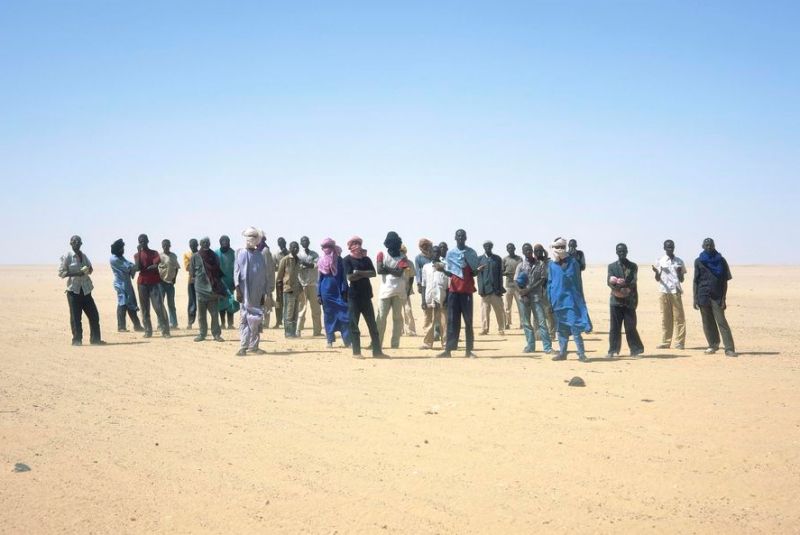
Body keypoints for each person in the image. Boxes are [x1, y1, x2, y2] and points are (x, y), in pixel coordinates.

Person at [438, 229, 479, 358]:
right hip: (454, 291)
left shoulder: (471, 253)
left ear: (466, 237)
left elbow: (474, 272)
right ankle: (448, 350)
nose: (461, 238)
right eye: (458, 236)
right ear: (455, 238)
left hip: (466, 291)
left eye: (463, 236)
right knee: (452, 321)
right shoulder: (450, 253)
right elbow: (450, 272)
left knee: (468, 321)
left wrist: (478, 270)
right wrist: (442, 270)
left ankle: (468, 351)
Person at [547, 238, 591, 361]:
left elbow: (577, 282)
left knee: (575, 327)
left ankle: (581, 354)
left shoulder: (573, 263)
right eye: (557, 247)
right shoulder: (551, 265)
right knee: (561, 329)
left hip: (571, 300)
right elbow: (549, 284)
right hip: (557, 301)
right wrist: (550, 301)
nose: (559, 249)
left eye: (562, 246)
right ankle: (563, 353)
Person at [343, 236, 387, 358]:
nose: (357, 246)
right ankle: (356, 352)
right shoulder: (347, 260)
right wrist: (362, 274)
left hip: (366, 296)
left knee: (372, 325)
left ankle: (377, 352)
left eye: (359, 243)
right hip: (353, 297)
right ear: (350, 246)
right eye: (354, 244)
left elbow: (373, 273)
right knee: (354, 325)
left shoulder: (366, 259)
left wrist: (359, 273)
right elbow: (349, 277)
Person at [694, 238, 737, 357]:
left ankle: (729, 348)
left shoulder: (721, 261)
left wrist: (723, 299)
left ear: (714, 246)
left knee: (721, 321)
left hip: (717, 296)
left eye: (710, 245)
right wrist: (695, 298)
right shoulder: (698, 261)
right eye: (706, 245)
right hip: (703, 295)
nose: (708, 247)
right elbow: (695, 281)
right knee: (707, 322)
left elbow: (724, 281)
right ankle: (712, 345)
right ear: (703, 246)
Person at [59, 235, 104, 346]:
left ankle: (95, 340)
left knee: (94, 315)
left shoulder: (83, 256)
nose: (77, 244)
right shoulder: (67, 256)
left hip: (86, 290)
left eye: (79, 242)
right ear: (71, 243)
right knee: (75, 317)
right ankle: (76, 340)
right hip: (73, 291)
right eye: (75, 242)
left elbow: (90, 268)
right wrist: (76, 273)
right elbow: (61, 273)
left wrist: (89, 270)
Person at [234, 227, 269, 356]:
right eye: (249, 237)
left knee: (256, 320)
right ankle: (243, 346)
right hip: (244, 293)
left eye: (254, 237)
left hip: (257, 293)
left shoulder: (260, 255)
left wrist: (263, 294)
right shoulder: (240, 253)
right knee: (244, 319)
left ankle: (254, 346)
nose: (251, 239)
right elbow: (236, 272)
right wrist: (238, 289)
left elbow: (263, 276)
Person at [606, 243, 644, 358]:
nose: (622, 253)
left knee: (630, 327)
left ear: (627, 251)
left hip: (629, 301)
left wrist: (624, 284)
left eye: (623, 251)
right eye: (619, 251)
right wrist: (617, 286)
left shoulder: (633, 266)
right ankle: (613, 350)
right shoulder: (611, 266)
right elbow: (609, 281)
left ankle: (635, 350)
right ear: (616, 252)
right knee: (615, 327)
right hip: (615, 301)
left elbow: (633, 281)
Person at [514, 243, 552, 353]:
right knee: (526, 323)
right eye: (526, 250)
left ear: (532, 251)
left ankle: (547, 347)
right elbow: (515, 281)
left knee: (542, 322)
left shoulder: (540, 264)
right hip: (524, 299)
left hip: (536, 298)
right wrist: (522, 292)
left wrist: (529, 289)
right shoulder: (520, 266)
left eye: (530, 250)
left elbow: (542, 279)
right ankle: (530, 346)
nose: (528, 252)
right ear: (523, 252)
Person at [376, 231, 409, 350]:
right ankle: (377, 343)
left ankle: (395, 344)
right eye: (390, 243)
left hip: (399, 292)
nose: (392, 245)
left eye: (395, 243)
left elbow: (399, 272)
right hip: (385, 292)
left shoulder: (403, 257)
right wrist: (393, 269)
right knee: (381, 318)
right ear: (387, 244)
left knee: (397, 319)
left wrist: (387, 268)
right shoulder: (381, 254)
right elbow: (379, 270)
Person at [190, 237, 226, 342]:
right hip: (200, 289)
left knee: (214, 314)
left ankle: (216, 334)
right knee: (201, 315)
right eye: (203, 242)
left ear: (210, 243)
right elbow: (192, 273)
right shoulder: (195, 257)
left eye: (207, 242)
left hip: (212, 289)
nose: (206, 244)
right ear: (200, 244)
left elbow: (218, 271)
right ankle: (202, 334)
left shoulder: (214, 256)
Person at [317, 238, 351, 348]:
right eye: (325, 247)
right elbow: (320, 279)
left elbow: (343, 277)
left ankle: (347, 341)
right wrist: (318, 294)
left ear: (333, 247)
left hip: (339, 292)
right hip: (326, 293)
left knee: (345, 316)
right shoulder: (321, 261)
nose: (327, 249)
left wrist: (345, 290)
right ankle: (329, 340)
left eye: (329, 246)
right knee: (329, 316)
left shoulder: (340, 260)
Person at [134, 234, 170, 338]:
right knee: (144, 308)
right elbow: (137, 267)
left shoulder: (154, 253)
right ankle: (148, 331)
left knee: (158, 306)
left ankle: (165, 331)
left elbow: (156, 264)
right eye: (140, 241)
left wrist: (153, 267)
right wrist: (139, 252)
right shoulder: (137, 255)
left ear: (148, 241)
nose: (142, 243)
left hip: (154, 282)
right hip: (142, 283)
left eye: (144, 241)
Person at [652, 239, 686, 350]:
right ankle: (665, 342)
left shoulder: (679, 261)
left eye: (672, 247)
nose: (670, 249)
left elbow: (682, 279)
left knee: (679, 318)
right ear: (664, 248)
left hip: (675, 291)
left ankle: (680, 342)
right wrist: (658, 273)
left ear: (674, 247)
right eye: (668, 247)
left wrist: (678, 272)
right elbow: (657, 279)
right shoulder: (659, 261)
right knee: (665, 318)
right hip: (664, 291)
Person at [109, 239, 143, 332]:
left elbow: (131, 265)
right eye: (122, 248)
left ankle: (137, 325)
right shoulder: (114, 259)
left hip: (126, 284)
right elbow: (129, 267)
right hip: (121, 284)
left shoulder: (120, 257)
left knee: (130, 304)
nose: (123, 250)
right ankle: (121, 327)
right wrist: (138, 254)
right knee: (123, 303)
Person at [420, 244, 448, 350]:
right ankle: (427, 343)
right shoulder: (426, 267)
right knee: (428, 322)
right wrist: (423, 300)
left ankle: (445, 344)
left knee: (444, 323)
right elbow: (423, 285)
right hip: (428, 299)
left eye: (437, 252)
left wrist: (447, 299)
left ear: (440, 253)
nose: (435, 253)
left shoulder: (445, 266)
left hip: (442, 299)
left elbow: (449, 285)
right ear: (430, 253)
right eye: (433, 252)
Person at [296, 236, 323, 337]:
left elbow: (317, 265)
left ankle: (317, 331)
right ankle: (298, 330)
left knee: (316, 309)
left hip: (313, 284)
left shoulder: (314, 254)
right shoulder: (298, 255)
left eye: (306, 240)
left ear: (309, 242)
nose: (305, 242)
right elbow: (297, 267)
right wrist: (307, 265)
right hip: (302, 284)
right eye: (303, 241)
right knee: (301, 308)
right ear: (301, 243)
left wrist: (306, 264)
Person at [477, 240, 505, 336]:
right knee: (484, 311)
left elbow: (500, 275)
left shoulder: (497, 259)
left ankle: (501, 329)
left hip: (495, 290)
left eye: (489, 246)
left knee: (499, 311)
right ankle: (484, 329)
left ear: (492, 247)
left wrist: (500, 288)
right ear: (483, 247)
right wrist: (480, 289)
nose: (487, 247)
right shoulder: (479, 259)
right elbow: (478, 276)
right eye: (486, 246)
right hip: (484, 291)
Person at [276, 241, 301, 338]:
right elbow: (279, 278)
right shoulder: (285, 260)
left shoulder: (298, 260)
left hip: (296, 290)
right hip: (287, 290)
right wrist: (279, 294)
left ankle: (293, 332)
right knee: (288, 312)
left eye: (297, 247)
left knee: (295, 312)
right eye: (293, 247)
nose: (295, 249)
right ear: (290, 248)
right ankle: (288, 333)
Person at [534, 243, 558, 341]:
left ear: (543, 251)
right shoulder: (533, 262)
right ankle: (537, 335)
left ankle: (552, 335)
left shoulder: (549, 263)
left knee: (549, 314)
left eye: (540, 250)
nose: (538, 252)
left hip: (547, 291)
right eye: (536, 251)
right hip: (535, 292)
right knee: (536, 315)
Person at [216, 235, 239, 329]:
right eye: (223, 241)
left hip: (230, 282)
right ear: (220, 242)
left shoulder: (233, 253)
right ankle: (222, 323)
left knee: (230, 302)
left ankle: (230, 323)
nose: (225, 243)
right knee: (221, 303)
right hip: (220, 282)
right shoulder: (216, 253)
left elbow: (236, 268)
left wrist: (235, 282)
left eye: (227, 241)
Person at [415, 238, 435, 341]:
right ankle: (428, 335)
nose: (425, 248)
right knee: (427, 309)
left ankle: (436, 333)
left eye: (427, 246)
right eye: (423, 246)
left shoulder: (434, 256)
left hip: (435, 284)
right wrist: (419, 284)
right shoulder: (418, 258)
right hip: (424, 286)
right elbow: (418, 272)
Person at [158, 239, 180, 330]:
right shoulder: (159, 256)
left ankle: (173, 323)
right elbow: (156, 269)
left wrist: (174, 279)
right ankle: (161, 323)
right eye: (164, 245)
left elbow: (176, 268)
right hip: (161, 283)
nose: (166, 247)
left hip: (170, 283)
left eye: (167, 245)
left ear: (170, 246)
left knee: (171, 304)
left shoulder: (173, 256)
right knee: (160, 304)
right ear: (162, 246)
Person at [257, 235, 276, 330]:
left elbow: (267, 270)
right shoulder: (259, 250)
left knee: (266, 302)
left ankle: (265, 323)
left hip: (265, 282)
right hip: (259, 282)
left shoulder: (264, 251)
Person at [502, 243, 522, 329]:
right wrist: (506, 273)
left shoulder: (519, 259)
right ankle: (507, 323)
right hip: (508, 285)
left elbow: (523, 270)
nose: (510, 249)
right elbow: (501, 272)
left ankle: (522, 323)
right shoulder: (504, 259)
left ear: (514, 248)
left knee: (521, 305)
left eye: (512, 248)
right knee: (507, 306)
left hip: (518, 285)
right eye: (509, 248)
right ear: (507, 249)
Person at [399, 243, 417, 336]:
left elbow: (411, 277)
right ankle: (399, 330)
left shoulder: (409, 263)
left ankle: (411, 330)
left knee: (408, 310)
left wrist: (409, 289)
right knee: (397, 312)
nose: (402, 253)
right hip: (396, 290)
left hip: (406, 290)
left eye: (403, 251)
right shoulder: (395, 262)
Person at [183, 239, 198, 329]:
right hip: (191, 281)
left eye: (194, 245)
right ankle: (190, 322)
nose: (192, 246)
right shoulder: (187, 255)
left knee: (203, 302)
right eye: (191, 245)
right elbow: (188, 267)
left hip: (202, 282)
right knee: (192, 302)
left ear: (197, 245)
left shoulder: (201, 254)